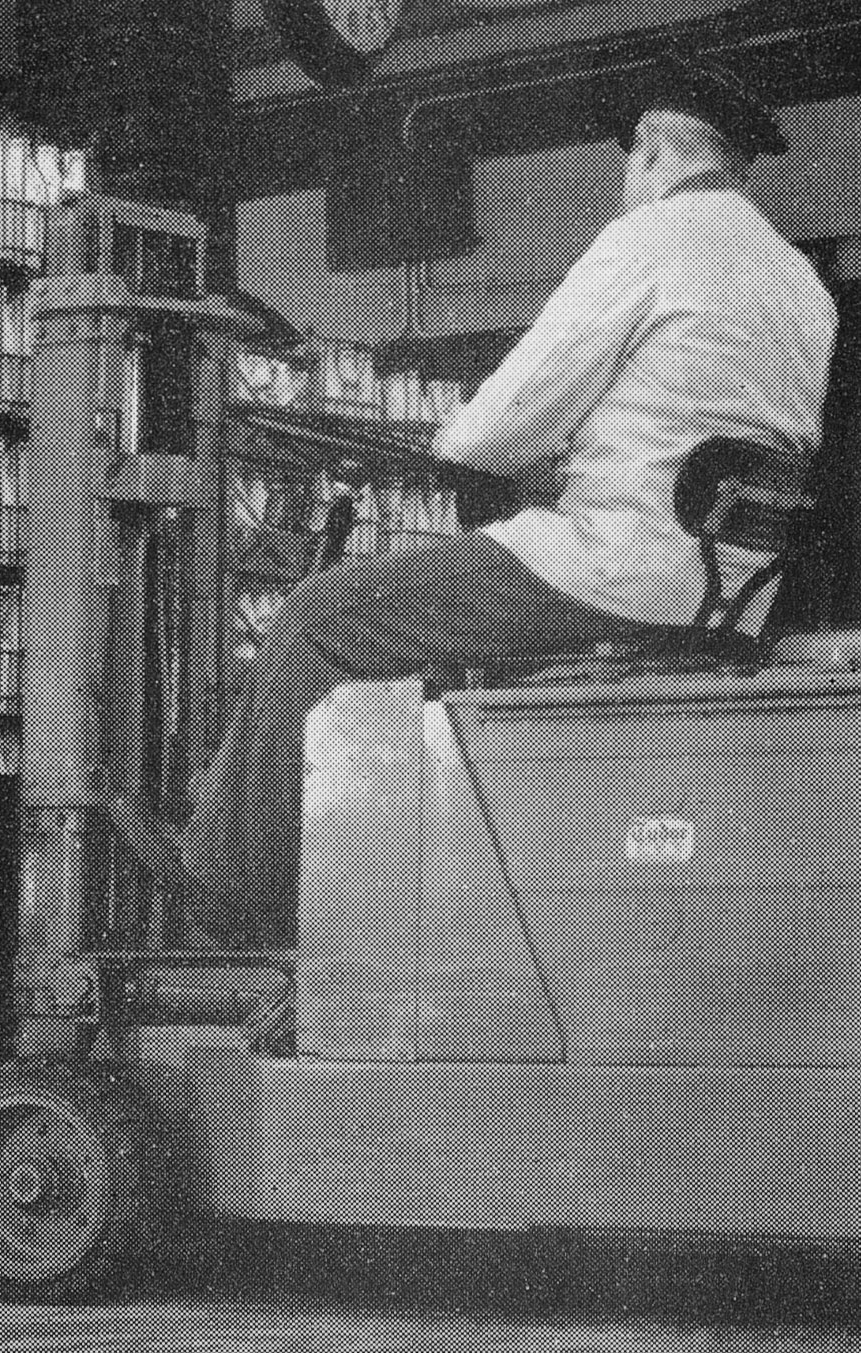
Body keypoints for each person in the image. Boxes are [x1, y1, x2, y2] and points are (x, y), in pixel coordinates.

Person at [113, 51, 839, 947]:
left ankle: (231, 896)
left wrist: (475, 441)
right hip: (731, 587)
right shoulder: (801, 283)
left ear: (653, 152)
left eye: (628, 163)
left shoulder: (651, 241)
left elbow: (495, 429)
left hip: (616, 564)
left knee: (316, 616)